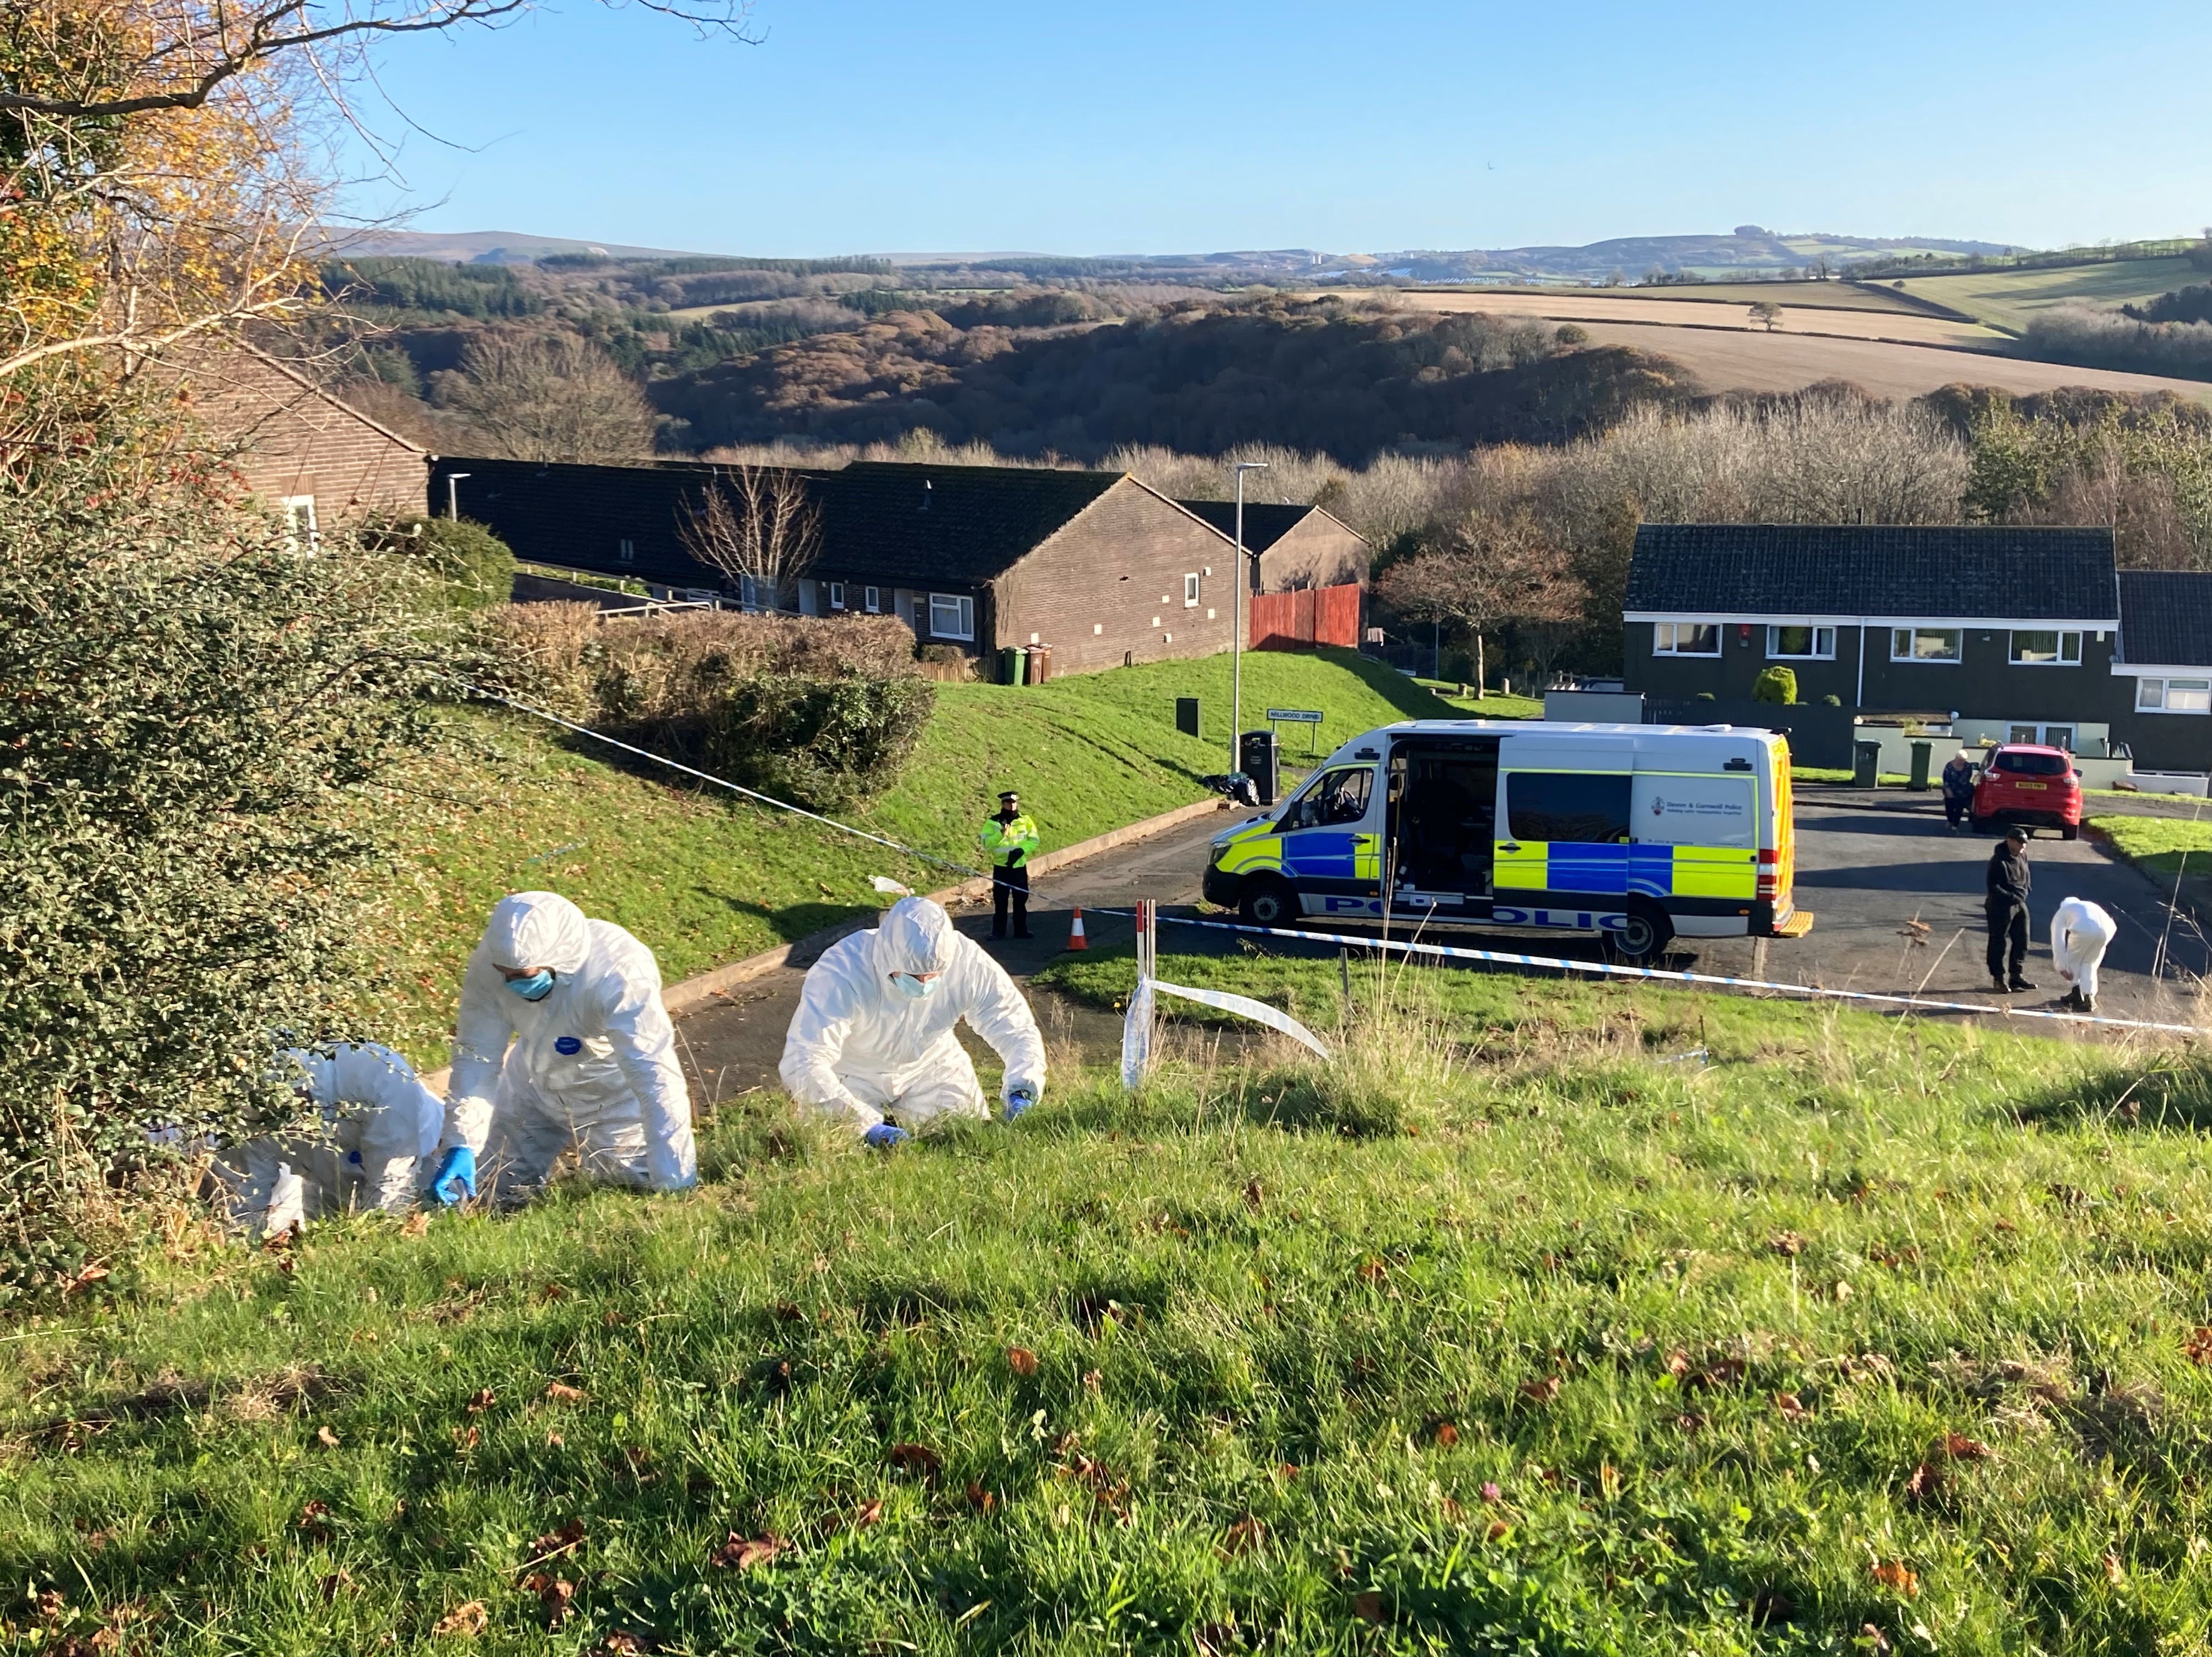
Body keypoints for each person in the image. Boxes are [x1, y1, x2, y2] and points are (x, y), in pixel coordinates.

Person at [427, 891, 696, 1206]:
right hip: (531, 1085)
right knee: (491, 1192)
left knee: (621, 1198)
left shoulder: (618, 969)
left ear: (558, 957)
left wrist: (675, 1176)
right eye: (506, 974)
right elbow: (477, 1055)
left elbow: (653, 1071)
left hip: (612, 1101)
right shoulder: (490, 964)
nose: (513, 983)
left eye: (524, 976)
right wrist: (462, 1141)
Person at [780, 895, 1045, 1145]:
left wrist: (1023, 1085)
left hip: (931, 1064)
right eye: (913, 976)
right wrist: (863, 1125)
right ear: (887, 956)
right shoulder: (843, 970)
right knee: (840, 1149)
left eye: (933, 976)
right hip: (851, 1073)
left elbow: (1014, 1024)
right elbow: (804, 1059)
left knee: (968, 1140)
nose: (923, 985)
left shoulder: (967, 961)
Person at [217, 1042, 444, 1238]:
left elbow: (392, 1183)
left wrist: (373, 1242)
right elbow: (246, 1193)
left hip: (425, 1164)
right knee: (325, 1250)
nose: (285, 1121)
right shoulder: (254, 1111)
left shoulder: (379, 1074)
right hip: (328, 1182)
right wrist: (244, 1252)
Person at [979, 789, 1040, 941]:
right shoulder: (993, 822)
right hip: (1002, 867)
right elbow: (986, 844)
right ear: (1003, 804)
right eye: (1008, 803)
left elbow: (1034, 840)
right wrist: (1001, 834)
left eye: (1014, 802)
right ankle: (998, 932)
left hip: (1019, 867)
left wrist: (1022, 850)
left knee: (1021, 900)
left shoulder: (1025, 820)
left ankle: (1021, 931)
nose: (1012, 805)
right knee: (1001, 901)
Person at [1985, 826, 2034, 993]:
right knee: (1998, 941)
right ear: (2010, 841)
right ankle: (1998, 979)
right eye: (2020, 843)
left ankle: (2016, 977)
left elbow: (2026, 878)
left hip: (2019, 904)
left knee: (2023, 940)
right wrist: (2012, 898)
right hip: (2000, 906)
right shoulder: (1998, 861)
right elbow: (1993, 887)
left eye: (2025, 843)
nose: (2023, 846)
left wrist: (2026, 892)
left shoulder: (2023, 856)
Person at [2052, 896, 2118, 1014]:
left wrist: (2061, 967)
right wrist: (2102, 944)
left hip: (2084, 930)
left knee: (2074, 959)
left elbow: (2058, 941)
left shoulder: (2062, 912)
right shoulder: (2091, 906)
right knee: (2090, 963)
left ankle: (2077, 993)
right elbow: (2112, 926)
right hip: (2106, 931)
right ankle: (2089, 998)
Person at [1941, 749, 1977, 829]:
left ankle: (1955, 825)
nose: (1962, 762)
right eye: (1961, 760)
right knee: (1949, 809)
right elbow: (1945, 779)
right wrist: (1947, 790)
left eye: (1964, 760)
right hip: (1950, 790)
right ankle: (1950, 821)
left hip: (1963, 791)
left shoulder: (1968, 766)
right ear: (1956, 758)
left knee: (1959, 809)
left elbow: (1968, 778)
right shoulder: (1949, 766)